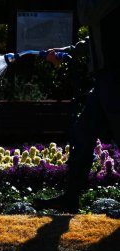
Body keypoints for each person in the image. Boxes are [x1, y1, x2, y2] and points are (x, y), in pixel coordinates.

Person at [34, 0, 120, 213]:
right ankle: (71, 198)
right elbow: (96, 38)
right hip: (105, 79)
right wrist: (67, 51)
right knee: (82, 133)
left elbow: (86, 16)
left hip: (116, 77)